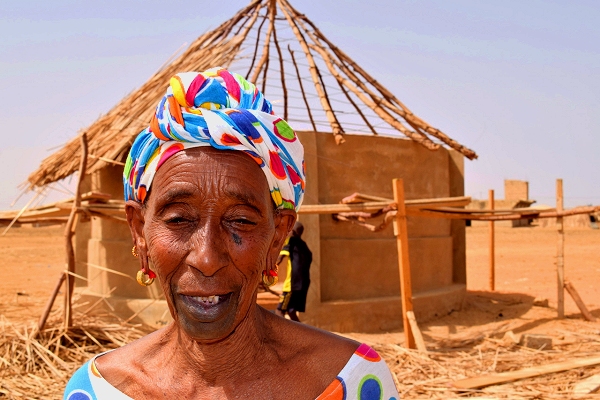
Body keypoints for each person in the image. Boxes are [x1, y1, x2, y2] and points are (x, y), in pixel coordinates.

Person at [64, 67, 399, 399]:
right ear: (139, 230)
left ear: (278, 234)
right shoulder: (98, 391)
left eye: (240, 220)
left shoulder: (354, 382)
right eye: (179, 219)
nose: (207, 259)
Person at [276, 222, 312, 322]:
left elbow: (279, 259)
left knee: (279, 311)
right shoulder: (304, 246)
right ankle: (304, 335)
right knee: (291, 311)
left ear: (292, 231)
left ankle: (281, 336)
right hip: (303, 285)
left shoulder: (290, 241)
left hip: (292, 284)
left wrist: (267, 270)